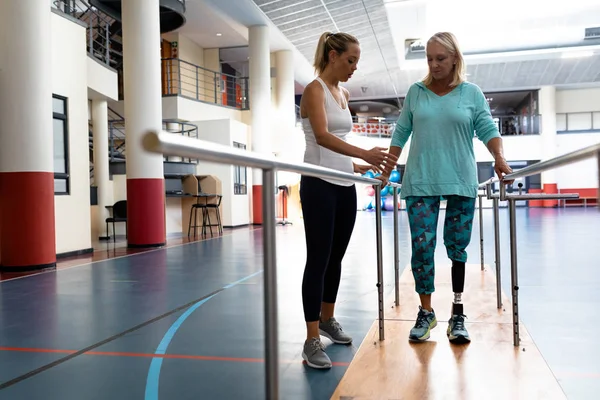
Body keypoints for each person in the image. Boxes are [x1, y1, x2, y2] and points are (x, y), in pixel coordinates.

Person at [381, 32, 512, 344]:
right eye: (429, 58)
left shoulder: (471, 93)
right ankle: (426, 313)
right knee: (422, 249)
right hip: (420, 179)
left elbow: (487, 129)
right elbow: (401, 132)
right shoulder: (416, 92)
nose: (434, 64)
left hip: (460, 179)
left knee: (457, 250)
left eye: (440, 58)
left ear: (455, 58)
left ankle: (457, 313)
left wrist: (499, 158)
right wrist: (387, 168)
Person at [299, 31, 397, 369]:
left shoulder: (344, 92)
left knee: (336, 258)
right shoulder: (315, 90)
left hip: (344, 183)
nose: (354, 67)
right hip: (317, 184)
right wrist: (365, 154)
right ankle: (311, 339)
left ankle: (328, 318)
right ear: (332, 56)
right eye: (350, 60)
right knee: (319, 259)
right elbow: (323, 137)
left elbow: (338, 139)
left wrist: (356, 164)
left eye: (357, 61)